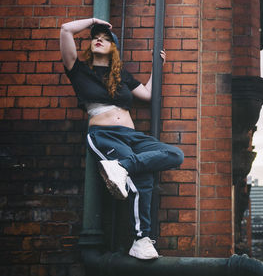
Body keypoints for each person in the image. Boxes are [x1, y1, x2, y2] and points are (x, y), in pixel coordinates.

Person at [60, 18, 184, 259]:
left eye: (106, 39)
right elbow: (65, 29)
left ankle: (120, 167)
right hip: (104, 135)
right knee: (143, 177)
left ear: (113, 49)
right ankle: (141, 240)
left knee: (175, 154)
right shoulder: (79, 70)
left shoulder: (122, 76)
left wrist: (156, 65)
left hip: (133, 136)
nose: (99, 39)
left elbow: (147, 95)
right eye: (96, 37)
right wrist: (95, 22)